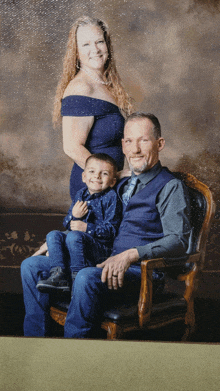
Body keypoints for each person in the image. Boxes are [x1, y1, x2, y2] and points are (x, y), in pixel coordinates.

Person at [21, 112, 192, 338]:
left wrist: (131, 255)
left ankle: (74, 352)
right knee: (31, 266)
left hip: (141, 273)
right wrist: (59, 239)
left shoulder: (170, 187)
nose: (135, 149)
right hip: (105, 257)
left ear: (159, 144)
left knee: (84, 277)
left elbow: (178, 241)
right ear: (122, 146)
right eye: (129, 141)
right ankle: (35, 342)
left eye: (144, 140)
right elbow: (99, 223)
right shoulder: (119, 184)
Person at [34, 15, 132, 257]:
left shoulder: (104, 84)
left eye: (99, 42)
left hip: (107, 186)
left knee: (91, 250)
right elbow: (72, 147)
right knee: (85, 254)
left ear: (107, 44)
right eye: (86, 44)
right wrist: (114, 176)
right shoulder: (81, 87)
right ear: (76, 52)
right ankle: (44, 261)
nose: (95, 50)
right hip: (95, 186)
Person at [36, 153, 122, 294]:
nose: (97, 176)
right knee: (53, 235)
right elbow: (67, 224)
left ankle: (77, 276)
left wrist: (87, 228)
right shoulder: (80, 195)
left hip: (100, 249)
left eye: (104, 173)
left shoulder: (111, 198)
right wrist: (74, 216)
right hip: (79, 244)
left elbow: (112, 230)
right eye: (92, 171)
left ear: (112, 182)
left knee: (74, 236)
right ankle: (58, 275)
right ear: (83, 177)